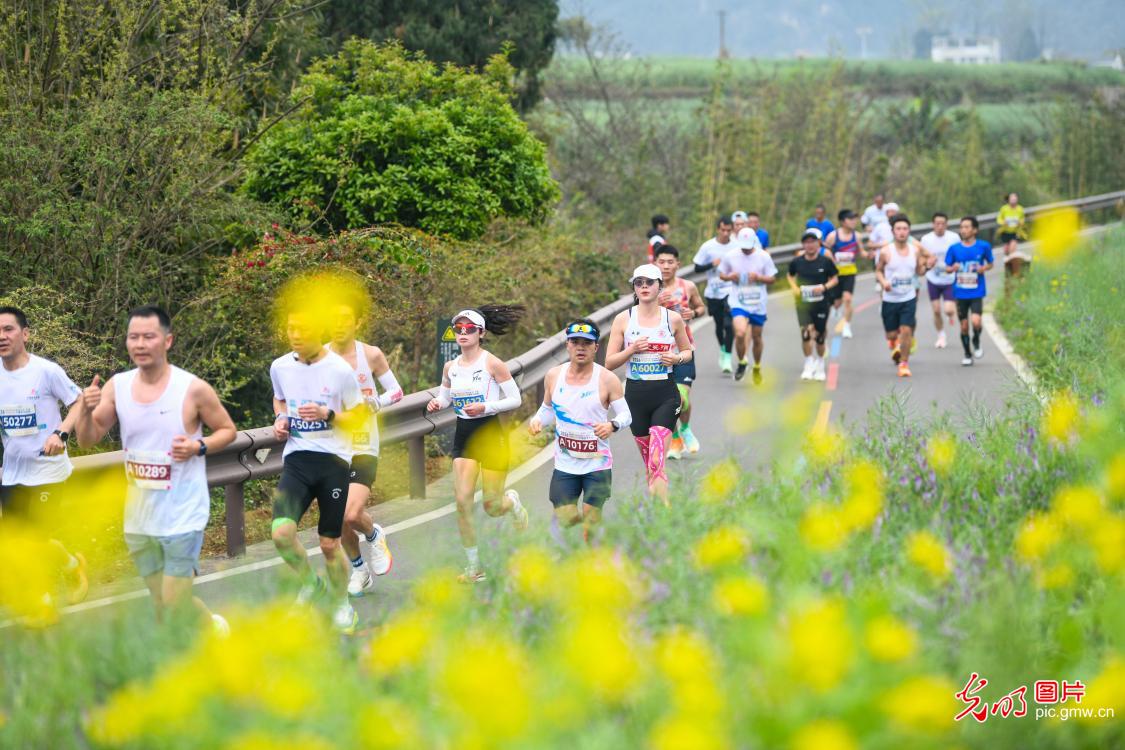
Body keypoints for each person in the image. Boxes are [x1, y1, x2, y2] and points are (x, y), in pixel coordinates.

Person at [75, 306, 236, 631]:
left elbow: (227, 430)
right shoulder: (117, 386)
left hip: (184, 513)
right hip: (140, 517)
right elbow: (87, 440)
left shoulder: (192, 388)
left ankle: (184, 657)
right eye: (133, 337)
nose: (140, 344)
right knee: (163, 600)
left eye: (148, 336)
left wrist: (198, 446)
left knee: (173, 602)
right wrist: (84, 409)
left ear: (167, 341)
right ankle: (213, 629)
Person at [266, 306, 371, 632]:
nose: (296, 336)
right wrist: (280, 419)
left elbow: (358, 417)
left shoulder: (339, 370)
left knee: (328, 544)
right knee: (281, 534)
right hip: (297, 460)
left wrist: (328, 415)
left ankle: (342, 605)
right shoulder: (280, 366)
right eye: (291, 328)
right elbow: (279, 399)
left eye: (304, 329)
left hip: (333, 462)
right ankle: (311, 583)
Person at [427, 306, 529, 584]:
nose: (463, 333)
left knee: (492, 506)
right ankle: (474, 567)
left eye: (469, 329)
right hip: (465, 435)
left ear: (481, 333)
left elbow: (515, 399)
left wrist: (486, 406)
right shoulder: (451, 367)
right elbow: (446, 397)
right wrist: (437, 402)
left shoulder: (492, 363)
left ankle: (512, 503)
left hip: (491, 435)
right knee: (462, 502)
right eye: (458, 329)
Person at [0, 306, 89, 604]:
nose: (2, 336)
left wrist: (61, 434)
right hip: (13, 472)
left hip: (47, 470)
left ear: (25, 334)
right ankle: (72, 565)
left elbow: (78, 401)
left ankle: (43, 599)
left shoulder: (46, 371)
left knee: (36, 537)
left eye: (8, 329)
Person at [326, 301, 403, 598]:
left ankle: (373, 533)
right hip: (330, 446)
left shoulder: (370, 354)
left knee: (351, 513)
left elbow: (396, 391)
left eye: (345, 319)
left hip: (363, 444)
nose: (339, 324)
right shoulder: (318, 358)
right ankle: (360, 570)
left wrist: (376, 402)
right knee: (338, 520)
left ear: (357, 323)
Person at [529, 319, 630, 544]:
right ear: (568, 345)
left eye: (587, 343)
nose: (580, 348)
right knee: (565, 517)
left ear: (596, 347)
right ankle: (584, 534)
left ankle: (592, 554)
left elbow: (626, 415)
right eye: (575, 342)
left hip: (597, 464)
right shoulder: (553, 376)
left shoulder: (607, 379)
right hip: (565, 464)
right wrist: (537, 420)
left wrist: (612, 425)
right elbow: (547, 409)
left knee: (591, 518)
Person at [605, 265, 693, 506]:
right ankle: (660, 509)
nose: (644, 286)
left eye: (649, 282)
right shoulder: (623, 319)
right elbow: (609, 362)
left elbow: (687, 352)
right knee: (651, 464)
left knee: (656, 459)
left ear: (659, 286)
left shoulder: (672, 319)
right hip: (635, 397)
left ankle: (665, 511)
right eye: (639, 282)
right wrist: (632, 349)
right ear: (634, 287)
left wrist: (675, 359)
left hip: (665, 395)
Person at [654, 245, 706, 458]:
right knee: (665, 401)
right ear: (655, 264)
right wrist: (655, 303)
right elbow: (636, 314)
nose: (666, 266)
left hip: (683, 351)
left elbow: (701, 308)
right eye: (662, 262)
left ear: (678, 264)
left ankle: (685, 428)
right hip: (657, 354)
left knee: (681, 397)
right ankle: (675, 438)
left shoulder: (688, 286)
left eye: (670, 262)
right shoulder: (648, 288)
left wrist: (693, 313)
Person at [718, 227, 777, 384]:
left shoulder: (763, 256)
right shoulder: (731, 256)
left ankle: (757, 366)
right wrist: (730, 276)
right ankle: (742, 362)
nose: (745, 249)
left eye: (748, 246)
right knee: (740, 333)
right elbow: (721, 274)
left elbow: (772, 279)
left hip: (758, 303)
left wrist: (758, 277)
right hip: (738, 301)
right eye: (743, 246)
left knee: (757, 337)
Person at [875, 215, 927, 378]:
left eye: (905, 229)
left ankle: (904, 364)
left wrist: (927, 267)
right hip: (890, 299)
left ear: (909, 231)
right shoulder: (886, 251)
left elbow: (919, 271)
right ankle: (894, 341)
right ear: (893, 232)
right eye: (898, 229)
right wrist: (884, 282)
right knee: (891, 334)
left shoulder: (915, 251)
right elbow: (878, 271)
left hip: (908, 297)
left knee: (906, 330)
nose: (902, 232)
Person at [787, 229, 839, 381]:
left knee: (820, 337)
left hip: (821, 303)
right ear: (803, 245)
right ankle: (808, 363)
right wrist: (794, 288)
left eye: (813, 242)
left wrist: (823, 287)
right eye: (807, 242)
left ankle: (820, 364)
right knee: (806, 333)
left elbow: (835, 279)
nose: (810, 245)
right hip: (803, 304)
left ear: (819, 244)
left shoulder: (825, 261)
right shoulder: (797, 262)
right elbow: (790, 275)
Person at [945, 216, 994, 366]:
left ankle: (976, 340)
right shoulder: (954, 248)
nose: (963, 230)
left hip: (976, 291)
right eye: (961, 227)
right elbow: (947, 268)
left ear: (975, 230)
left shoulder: (983, 246)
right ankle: (967, 354)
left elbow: (991, 263)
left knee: (976, 321)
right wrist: (952, 268)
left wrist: (983, 268)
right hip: (960, 293)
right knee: (964, 325)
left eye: (967, 227)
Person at [693, 216, 736, 373]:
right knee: (719, 325)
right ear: (718, 229)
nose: (725, 233)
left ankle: (728, 358)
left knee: (729, 325)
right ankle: (723, 349)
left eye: (728, 230)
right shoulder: (708, 246)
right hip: (713, 291)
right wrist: (711, 264)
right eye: (723, 230)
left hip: (731, 290)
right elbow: (697, 268)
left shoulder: (736, 246)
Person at [919, 212, 960, 349]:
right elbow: (921, 258)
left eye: (943, 224)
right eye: (937, 224)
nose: (940, 226)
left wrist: (956, 265)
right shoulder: (926, 239)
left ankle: (950, 315)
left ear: (947, 224)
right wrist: (927, 263)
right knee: (936, 310)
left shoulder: (954, 237)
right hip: (933, 278)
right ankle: (941, 335)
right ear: (933, 224)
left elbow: (959, 254)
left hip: (949, 279)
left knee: (948, 310)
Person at [823, 209, 864, 339]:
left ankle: (846, 326)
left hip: (849, 273)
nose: (853, 221)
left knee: (848, 299)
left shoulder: (857, 236)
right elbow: (825, 252)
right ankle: (836, 308)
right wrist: (831, 262)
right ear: (842, 221)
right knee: (836, 302)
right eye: (850, 219)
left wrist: (869, 254)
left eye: (854, 219)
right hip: (835, 274)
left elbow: (861, 252)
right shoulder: (833, 236)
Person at [997, 192, 1030, 280]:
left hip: (1015, 232)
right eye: (1012, 198)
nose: (1013, 200)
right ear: (1008, 200)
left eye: (1015, 198)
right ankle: (1009, 264)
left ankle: (1013, 268)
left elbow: (1022, 219)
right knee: (1006, 251)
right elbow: (999, 219)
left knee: (1012, 249)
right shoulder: (1004, 209)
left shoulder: (1020, 209)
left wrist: (1020, 222)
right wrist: (1003, 222)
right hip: (1005, 231)